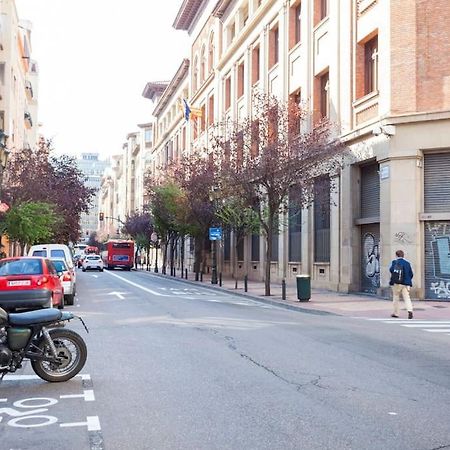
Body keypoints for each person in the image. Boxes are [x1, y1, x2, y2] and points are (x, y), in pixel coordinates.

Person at [389, 250, 414, 319]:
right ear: (403, 255)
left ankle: (396, 313)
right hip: (406, 284)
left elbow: (391, 270)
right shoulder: (407, 263)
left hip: (397, 283)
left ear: (396, 255)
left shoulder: (394, 262)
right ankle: (410, 310)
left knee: (396, 297)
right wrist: (407, 280)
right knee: (407, 298)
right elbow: (411, 274)